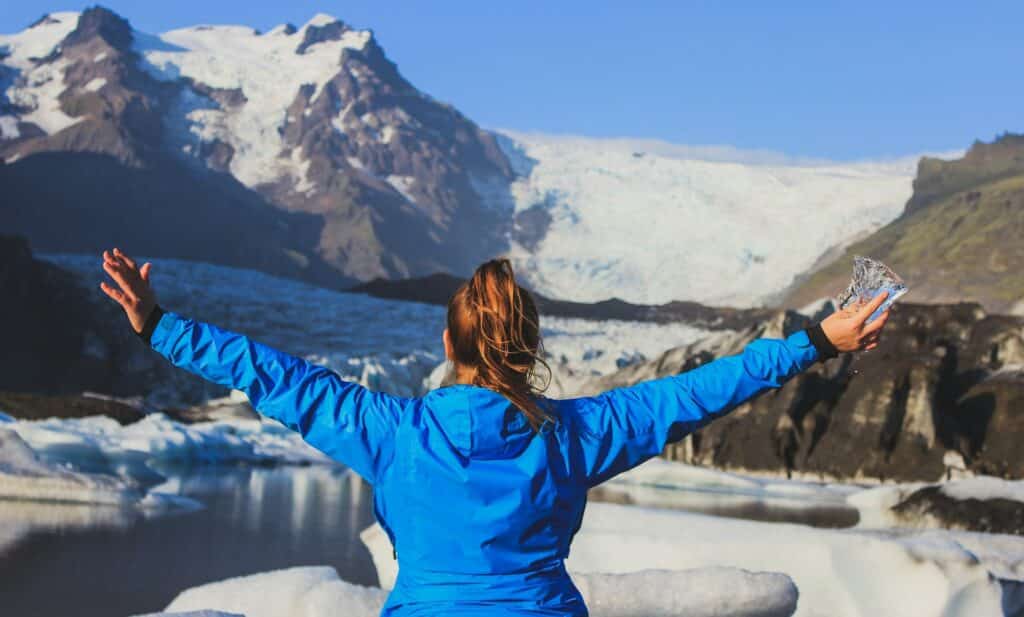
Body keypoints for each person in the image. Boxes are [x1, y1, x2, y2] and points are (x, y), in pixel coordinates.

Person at [99, 247, 889, 616]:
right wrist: (817, 340)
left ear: (447, 345)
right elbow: (697, 393)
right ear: (532, 349)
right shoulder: (579, 434)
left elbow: (270, 374)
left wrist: (158, 325)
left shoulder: (391, 431)